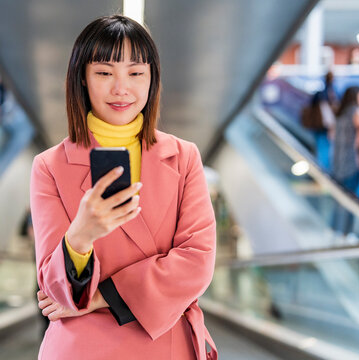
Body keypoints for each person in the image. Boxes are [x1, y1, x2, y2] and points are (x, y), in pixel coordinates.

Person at [30, 15, 217, 360]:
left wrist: (102, 298)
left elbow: (198, 260)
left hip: (166, 344)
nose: (121, 89)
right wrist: (79, 238)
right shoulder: (50, 166)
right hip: (82, 348)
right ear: (83, 79)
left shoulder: (183, 157)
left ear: (152, 80)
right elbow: (54, 288)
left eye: (135, 73)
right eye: (104, 73)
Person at [331, 86, 359, 235]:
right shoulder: (356, 114)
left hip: (338, 162)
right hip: (351, 163)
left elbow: (331, 136)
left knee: (339, 199)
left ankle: (334, 230)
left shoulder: (339, 113)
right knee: (351, 200)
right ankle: (347, 233)